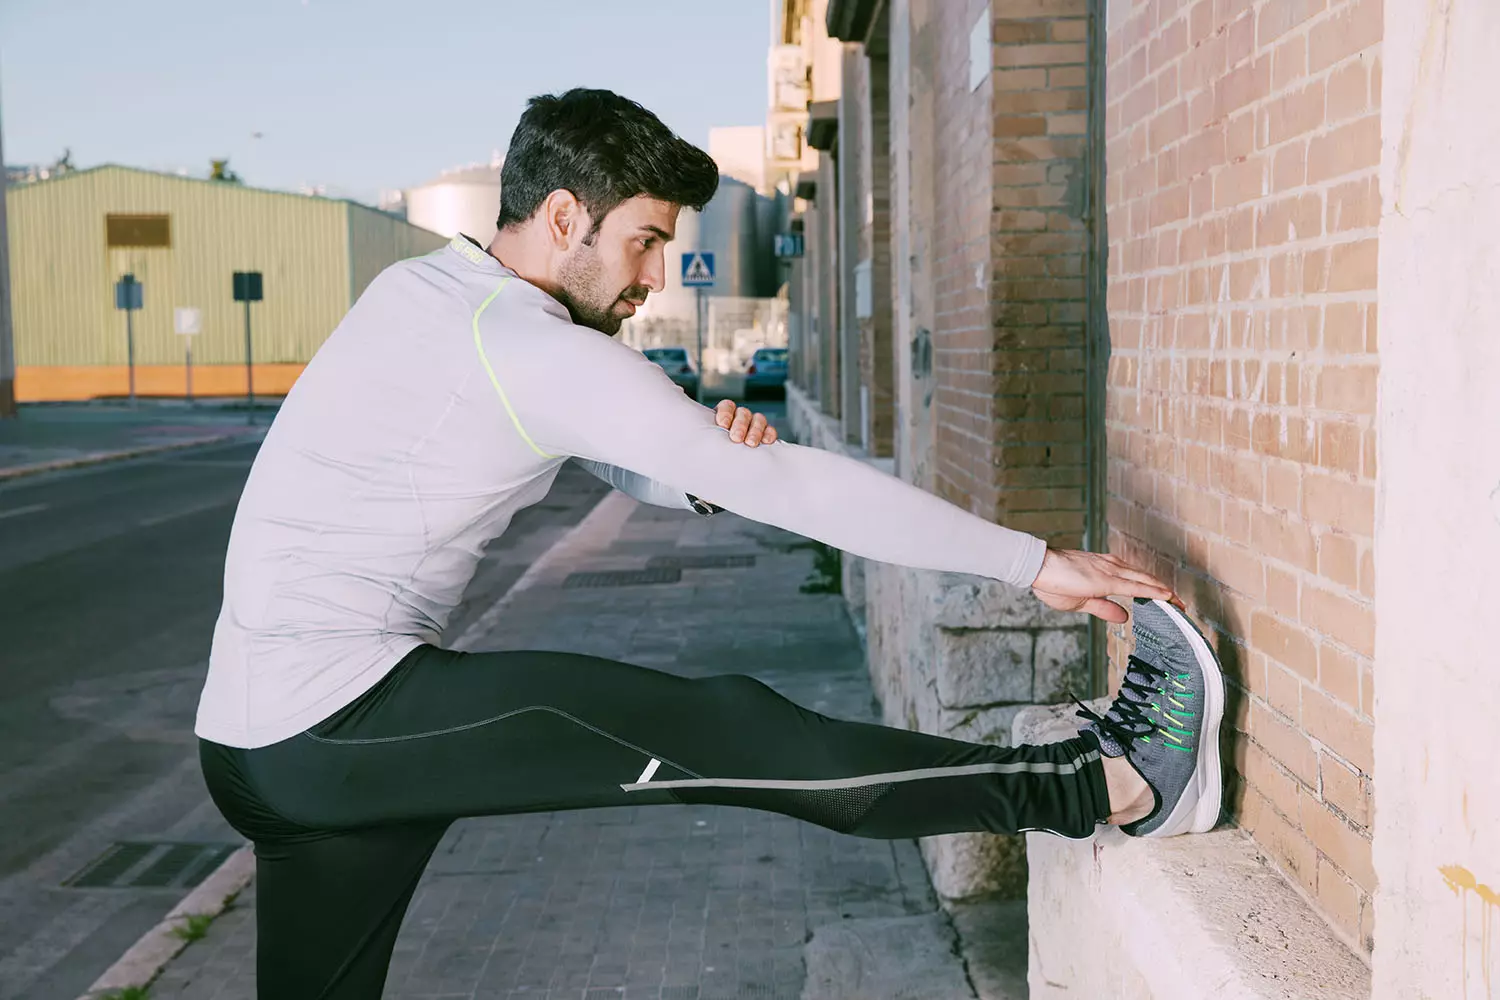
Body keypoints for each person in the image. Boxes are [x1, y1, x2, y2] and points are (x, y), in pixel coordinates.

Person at [196, 88, 1224, 999]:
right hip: (336, 719)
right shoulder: (529, 344)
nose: (654, 272)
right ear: (565, 219)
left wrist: (686, 459)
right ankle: (1105, 786)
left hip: (251, 742)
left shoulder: (423, 296)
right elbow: (790, 486)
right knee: (732, 734)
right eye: (644, 239)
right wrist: (1036, 564)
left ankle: (1094, 783)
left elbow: (581, 441)